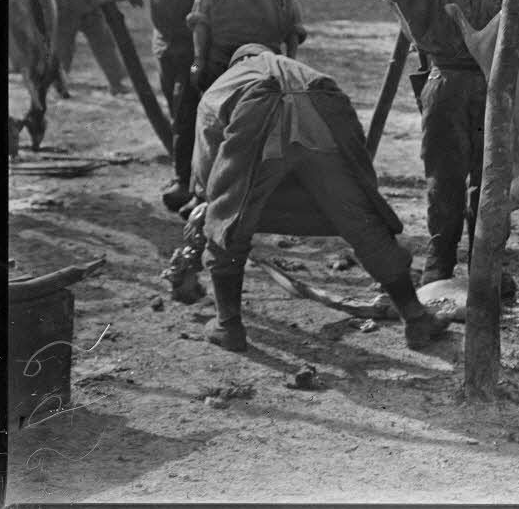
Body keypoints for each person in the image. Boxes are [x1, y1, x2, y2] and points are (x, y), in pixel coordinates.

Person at [185, 44, 450, 353]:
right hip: (321, 106)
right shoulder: (295, 69)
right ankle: (415, 316)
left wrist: (213, 205)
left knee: (229, 220)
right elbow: (352, 148)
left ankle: (228, 326)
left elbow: (209, 173)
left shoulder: (224, 84)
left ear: (237, 61)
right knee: (359, 217)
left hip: (258, 111)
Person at [372, 0, 508, 286]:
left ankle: (487, 268)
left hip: (491, 86)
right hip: (444, 81)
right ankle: (439, 266)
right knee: (445, 179)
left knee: (489, 182)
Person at [118, 0, 235, 210]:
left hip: (197, 45)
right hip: (164, 46)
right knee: (178, 109)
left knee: (187, 114)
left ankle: (184, 181)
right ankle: (195, 174)